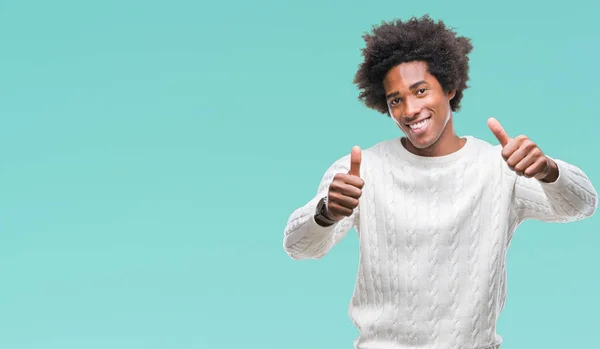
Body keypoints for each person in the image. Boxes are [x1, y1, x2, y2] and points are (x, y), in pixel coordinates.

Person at [281, 14, 598, 349]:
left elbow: (582, 205)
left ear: (449, 87)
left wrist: (549, 171)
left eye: (421, 91)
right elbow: (298, 248)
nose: (410, 109)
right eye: (396, 100)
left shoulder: (499, 167)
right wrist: (326, 213)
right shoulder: (362, 170)